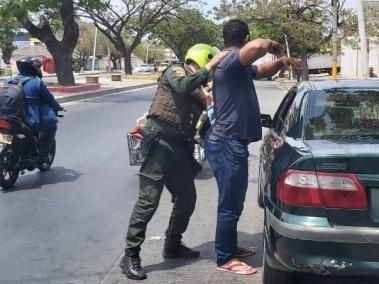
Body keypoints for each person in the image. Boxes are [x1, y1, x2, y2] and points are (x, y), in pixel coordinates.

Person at [120, 44, 228, 280]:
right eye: (210, 66)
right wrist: (210, 67)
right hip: (160, 145)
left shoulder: (200, 92)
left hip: (181, 149)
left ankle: (172, 244)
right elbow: (181, 87)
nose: (210, 75)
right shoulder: (176, 71)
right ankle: (130, 254)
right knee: (148, 202)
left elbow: (203, 122)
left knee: (187, 198)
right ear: (202, 60)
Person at [204, 19, 301, 275]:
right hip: (226, 143)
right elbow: (259, 47)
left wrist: (281, 62)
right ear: (245, 38)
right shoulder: (230, 60)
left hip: (230, 143)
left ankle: (229, 246)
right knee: (230, 203)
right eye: (249, 40)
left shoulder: (237, 66)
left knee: (233, 202)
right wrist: (273, 44)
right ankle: (225, 258)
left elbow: (263, 71)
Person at [5, 56, 63, 167]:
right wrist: (58, 108)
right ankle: (44, 155)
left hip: (7, 117)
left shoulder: (9, 80)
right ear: (33, 68)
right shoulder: (37, 83)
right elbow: (49, 99)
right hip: (28, 120)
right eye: (38, 67)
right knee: (52, 127)